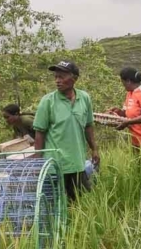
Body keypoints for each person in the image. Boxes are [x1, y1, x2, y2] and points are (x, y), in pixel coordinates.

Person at [33, 60, 99, 201]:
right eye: (56, 77)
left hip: (77, 162)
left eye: (62, 77)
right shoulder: (47, 101)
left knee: (80, 201)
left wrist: (94, 149)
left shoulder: (84, 98)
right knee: (58, 205)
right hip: (56, 164)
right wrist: (37, 163)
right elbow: (40, 134)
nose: (57, 81)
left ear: (74, 78)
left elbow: (88, 125)